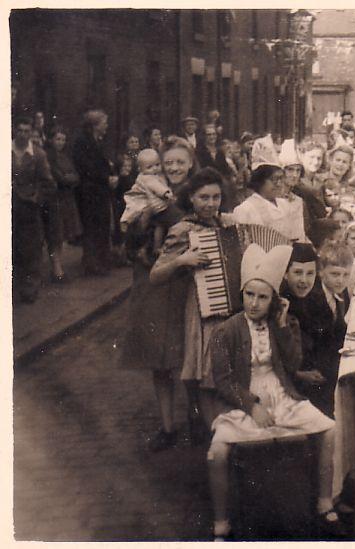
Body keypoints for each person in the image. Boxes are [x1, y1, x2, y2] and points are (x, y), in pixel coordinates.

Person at [206, 243, 340, 541]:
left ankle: (323, 501)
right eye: (249, 295)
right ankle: (221, 521)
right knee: (217, 452)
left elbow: (293, 365)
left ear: (273, 300)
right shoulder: (226, 330)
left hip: (281, 392)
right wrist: (252, 406)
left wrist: (281, 327)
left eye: (262, 297)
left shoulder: (283, 322)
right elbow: (223, 380)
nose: (254, 303)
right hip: (243, 397)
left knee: (328, 430)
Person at [122, 136, 198, 452]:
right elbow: (129, 239)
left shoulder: (199, 193)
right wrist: (144, 217)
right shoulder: (148, 191)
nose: (174, 168)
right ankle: (167, 426)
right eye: (169, 163)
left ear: (191, 164)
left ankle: (198, 421)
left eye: (181, 162)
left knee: (192, 354)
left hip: (187, 280)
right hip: (154, 281)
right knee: (159, 357)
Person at [150, 168, 234, 445]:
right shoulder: (182, 230)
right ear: (191, 198)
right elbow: (156, 274)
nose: (211, 204)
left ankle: (218, 426)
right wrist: (181, 261)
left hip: (229, 307)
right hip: (199, 308)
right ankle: (207, 428)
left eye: (216, 197)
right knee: (204, 370)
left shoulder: (227, 224)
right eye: (204, 197)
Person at [293, 243, 353, 418]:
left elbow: (338, 329)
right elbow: (313, 341)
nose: (340, 280)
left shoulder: (340, 293)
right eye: (335, 274)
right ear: (321, 272)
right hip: (313, 367)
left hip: (327, 358)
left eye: (345, 275)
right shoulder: (312, 296)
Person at [12, 115, 55, 302]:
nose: (23, 134)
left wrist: (35, 198)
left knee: (30, 250)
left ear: (31, 132)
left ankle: (29, 290)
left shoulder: (38, 154)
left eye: (27, 131)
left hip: (29, 209)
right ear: (14, 130)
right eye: (19, 130)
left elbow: (48, 184)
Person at [72, 109, 118, 276]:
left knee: (102, 227)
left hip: (100, 191)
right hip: (89, 193)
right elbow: (86, 167)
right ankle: (92, 264)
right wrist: (106, 178)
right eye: (104, 123)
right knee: (92, 228)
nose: (107, 126)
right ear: (95, 125)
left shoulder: (99, 140)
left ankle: (101, 261)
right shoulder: (82, 142)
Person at [233, 164, 308, 243]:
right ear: (260, 181)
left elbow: (298, 236)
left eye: (281, 179)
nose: (279, 184)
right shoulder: (245, 209)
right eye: (274, 180)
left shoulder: (285, 205)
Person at [120, 148, 173, 238]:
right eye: (149, 167)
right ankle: (125, 221)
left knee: (136, 210)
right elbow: (156, 187)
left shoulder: (154, 174)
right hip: (139, 196)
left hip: (146, 197)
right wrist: (166, 193)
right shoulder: (148, 178)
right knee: (134, 209)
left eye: (157, 165)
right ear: (140, 169)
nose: (154, 169)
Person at [46, 126, 83, 254]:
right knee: (56, 234)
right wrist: (67, 177)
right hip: (56, 198)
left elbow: (76, 175)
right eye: (58, 139)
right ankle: (56, 266)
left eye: (63, 140)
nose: (61, 142)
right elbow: (60, 177)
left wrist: (69, 177)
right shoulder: (49, 156)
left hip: (67, 197)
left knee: (62, 233)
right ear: (51, 140)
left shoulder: (65, 156)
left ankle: (58, 264)